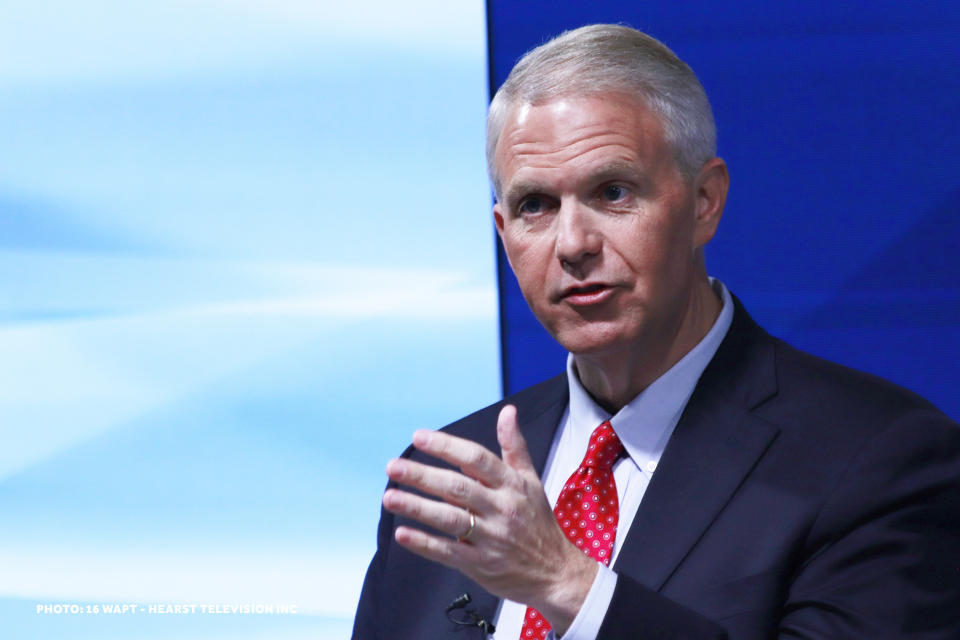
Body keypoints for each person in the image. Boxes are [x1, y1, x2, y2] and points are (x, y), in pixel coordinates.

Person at [351, 24, 960, 639]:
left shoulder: (880, 459)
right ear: (503, 233)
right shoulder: (451, 487)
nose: (573, 245)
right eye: (535, 205)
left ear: (705, 202)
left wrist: (568, 587)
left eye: (613, 192)